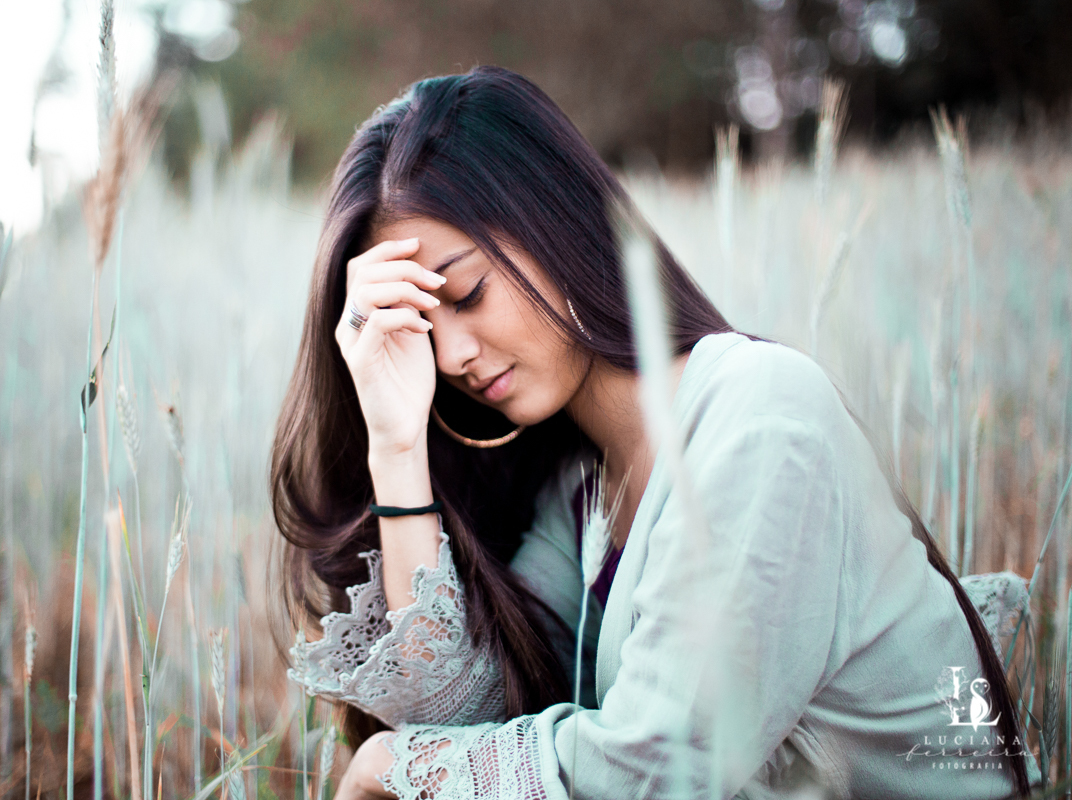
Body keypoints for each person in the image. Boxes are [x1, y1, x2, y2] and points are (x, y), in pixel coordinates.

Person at [268, 66, 1041, 799]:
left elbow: (660, 772)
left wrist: (392, 765)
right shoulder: (583, 487)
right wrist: (396, 449)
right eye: (422, 331)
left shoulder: (759, 420)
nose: (453, 356)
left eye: (466, 293)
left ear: (555, 218)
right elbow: (469, 739)